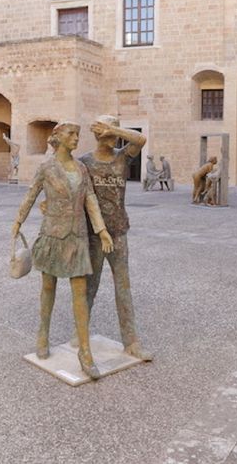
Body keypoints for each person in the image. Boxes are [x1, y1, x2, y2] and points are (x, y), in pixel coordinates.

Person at [11, 122, 114, 379]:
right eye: (71, 134)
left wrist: (101, 229)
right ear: (57, 136)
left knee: (80, 292)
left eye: (78, 134)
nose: (76, 138)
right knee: (48, 287)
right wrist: (18, 221)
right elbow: (31, 194)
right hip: (53, 235)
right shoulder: (46, 167)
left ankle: (85, 351)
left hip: (77, 236)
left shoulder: (81, 168)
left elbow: (90, 198)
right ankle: (43, 333)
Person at [77, 115, 153, 361]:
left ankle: (131, 342)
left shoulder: (122, 157)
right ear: (97, 135)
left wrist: (114, 128)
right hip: (94, 234)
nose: (112, 138)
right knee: (90, 287)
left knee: (124, 288)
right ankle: (81, 338)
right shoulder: (85, 163)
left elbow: (141, 139)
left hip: (119, 232)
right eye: (107, 134)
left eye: (113, 134)